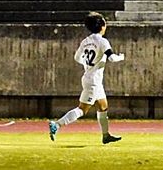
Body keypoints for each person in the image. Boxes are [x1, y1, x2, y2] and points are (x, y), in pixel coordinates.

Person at [48, 12, 124, 144]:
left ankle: (106, 135)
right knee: (82, 109)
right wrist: (121, 57)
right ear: (101, 26)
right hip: (93, 81)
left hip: (91, 78)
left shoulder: (86, 41)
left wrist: (88, 64)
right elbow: (111, 57)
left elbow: (77, 57)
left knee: (103, 106)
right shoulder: (102, 41)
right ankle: (57, 124)